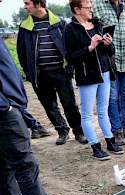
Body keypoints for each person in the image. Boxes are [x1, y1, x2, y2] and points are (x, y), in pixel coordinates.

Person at [0, 9, 71, 195]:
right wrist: (6, 106)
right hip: (4, 111)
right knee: (25, 163)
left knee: (5, 162)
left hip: (9, 106)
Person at [17, 0, 86, 146]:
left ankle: (79, 132)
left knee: (69, 104)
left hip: (61, 72)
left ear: (38, 3)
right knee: (49, 105)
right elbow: (21, 52)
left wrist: (70, 68)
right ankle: (62, 131)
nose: (25, 7)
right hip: (39, 75)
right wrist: (29, 73)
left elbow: (70, 45)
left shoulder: (59, 23)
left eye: (27, 3)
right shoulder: (24, 27)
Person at [65, 0, 124, 160]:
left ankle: (110, 141)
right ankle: (95, 146)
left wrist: (108, 44)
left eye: (91, 7)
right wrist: (89, 47)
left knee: (103, 110)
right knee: (87, 114)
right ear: (77, 9)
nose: (91, 9)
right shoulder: (70, 29)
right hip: (87, 76)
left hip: (104, 72)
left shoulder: (97, 23)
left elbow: (109, 52)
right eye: (88, 7)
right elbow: (70, 57)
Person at [93, 0, 125, 144]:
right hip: (109, 59)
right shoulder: (97, 5)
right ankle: (116, 130)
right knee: (112, 96)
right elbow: (91, 31)